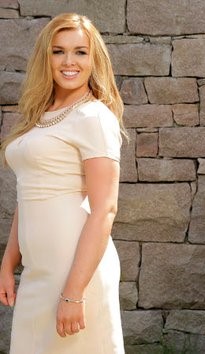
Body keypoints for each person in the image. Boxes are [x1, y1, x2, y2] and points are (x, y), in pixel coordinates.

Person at [0, 13, 125, 353]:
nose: (69, 61)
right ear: (46, 57)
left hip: (74, 271)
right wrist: (9, 261)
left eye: (81, 52)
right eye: (59, 51)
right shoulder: (39, 117)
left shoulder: (94, 117)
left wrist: (74, 292)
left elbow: (105, 209)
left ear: (93, 59)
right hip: (39, 270)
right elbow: (28, 195)